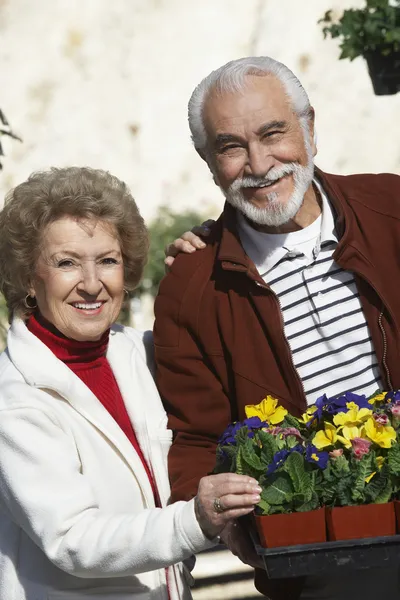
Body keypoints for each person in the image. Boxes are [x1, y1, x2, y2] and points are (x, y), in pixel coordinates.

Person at [153, 56, 400, 600]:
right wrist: (229, 523)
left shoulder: (392, 209)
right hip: (317, 561)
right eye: (231, 147)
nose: (260, 163)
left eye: (273, 133)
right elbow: (194, 436)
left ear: (310, 126)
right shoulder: (190, 287)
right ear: (208, 160)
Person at [0, 166, 262, 600]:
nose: (91, 284)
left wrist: (199, 268)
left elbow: (218, 357)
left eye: (107, 260)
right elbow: (73, 540)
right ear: (30, 278)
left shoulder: (142, 354)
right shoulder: (16, 398)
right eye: (66, 263)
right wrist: (193, 520)